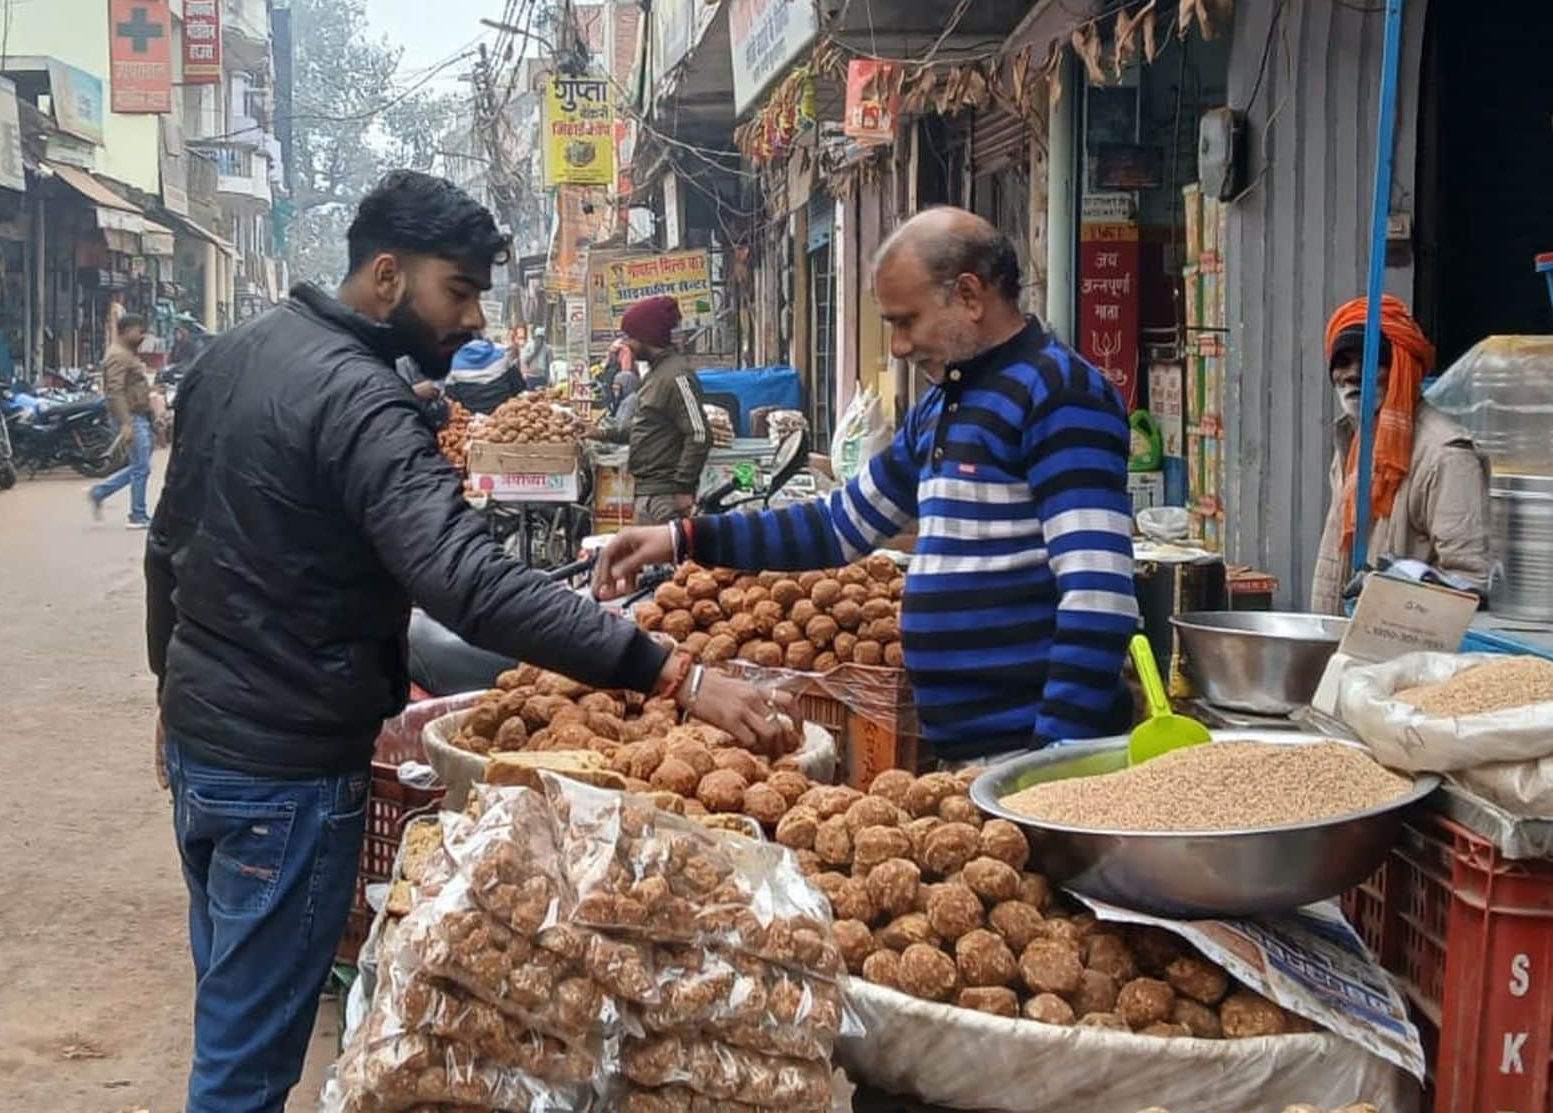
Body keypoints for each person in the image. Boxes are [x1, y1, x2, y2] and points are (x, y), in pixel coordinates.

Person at [145, 170, 787, 1112]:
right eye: (461, 289)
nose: (476, 318)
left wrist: (168, 697)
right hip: (284, 768)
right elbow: (469, 582)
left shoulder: (237, 353)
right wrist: (677, 674)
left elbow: (170, 546)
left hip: (209, 747)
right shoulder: (363, 402)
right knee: (245, 1062)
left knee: (230, 1005)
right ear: (389, 274)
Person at [595, 208, 1140, 760]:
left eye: (907, 321)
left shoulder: (1059, 393)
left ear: (971, 296)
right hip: (969, 750)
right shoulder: (945, 403)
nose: (899, 346)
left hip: (1028, 752)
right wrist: (681, 538)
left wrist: (1052, 762)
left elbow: (1098, 597)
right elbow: (839, 525)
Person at [1310, 295, 1492, 613]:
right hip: (1348, 647)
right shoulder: (1354, 440)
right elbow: (1336, 560)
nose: (1354, 374)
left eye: (1372, 361)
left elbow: (1469, 584)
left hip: (1408, 652)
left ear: (1403, 367)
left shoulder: (1445, 455)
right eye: (1342, 361)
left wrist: (1392, 586)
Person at [601, 295, 712, 525]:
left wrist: (684, 488)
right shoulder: (655, 374)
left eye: (630, 336)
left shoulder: (676, 375)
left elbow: (699, 433)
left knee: (671, 560)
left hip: (665, 496)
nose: (627, 343)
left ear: (646, 336)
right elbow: (647, 426)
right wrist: (601, 433)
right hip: (649, 492)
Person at [90, 312, 155, 529]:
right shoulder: (118, 355)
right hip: (132, 417)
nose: (142, 335)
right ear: (126, 331)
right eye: (139, 331)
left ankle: (100, 492)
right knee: (141, 467)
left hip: (139, 416)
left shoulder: (127, 353)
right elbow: (114, 391)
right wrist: (126, 422)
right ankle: (137, 515)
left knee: (140, 466)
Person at [445, 337, 526, 414]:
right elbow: (519, 387)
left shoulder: (450, 365)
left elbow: (454, 403)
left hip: (473, 423)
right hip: (507, 418)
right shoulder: (503, 353)